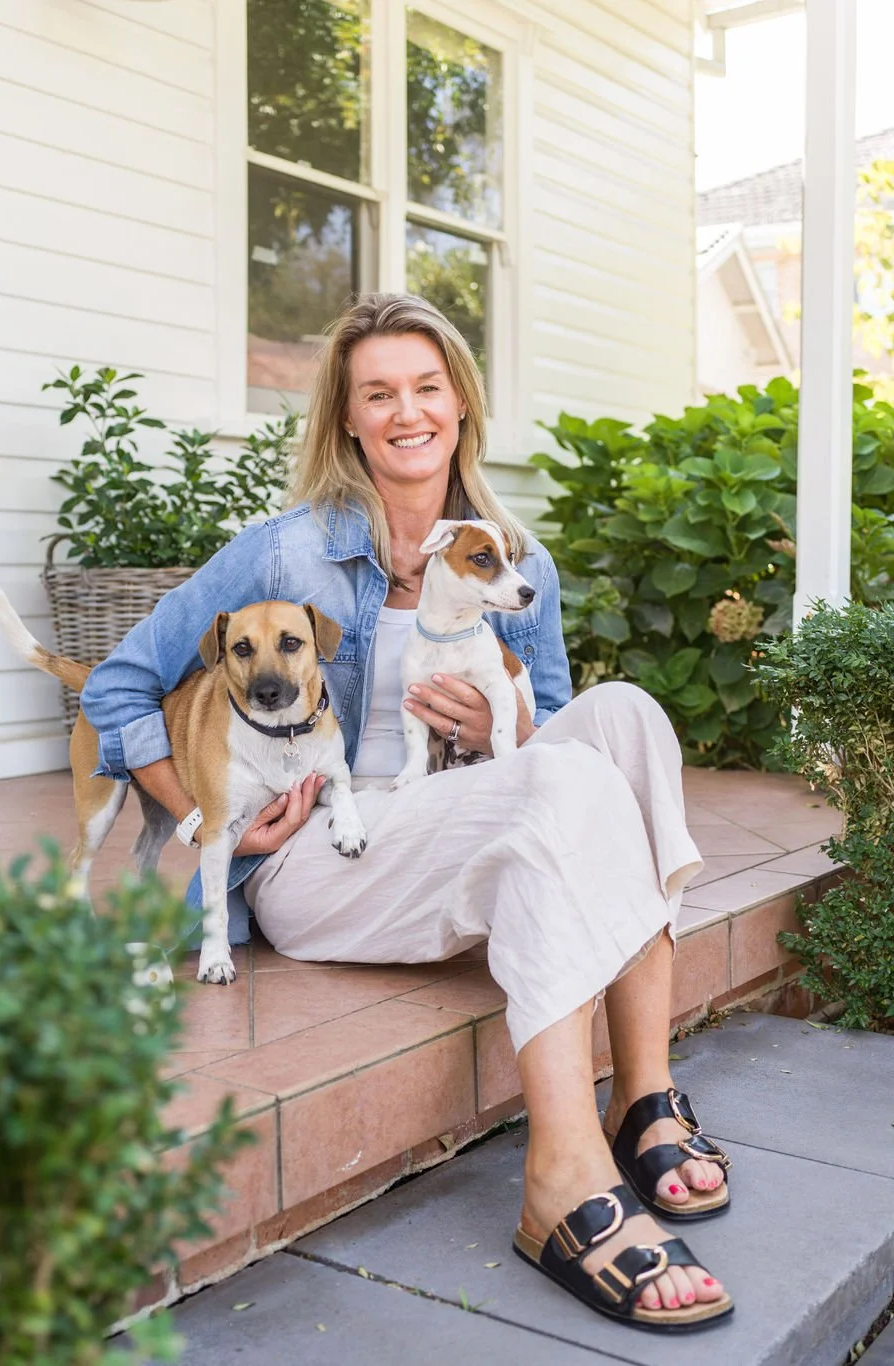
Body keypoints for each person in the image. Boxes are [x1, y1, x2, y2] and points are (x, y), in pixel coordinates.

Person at [80, 293, 734, 1331]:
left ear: (460, 403)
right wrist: (206, 817)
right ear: (345, 417)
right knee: (561, 780)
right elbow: (115, 688)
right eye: (377, 393)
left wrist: (491, 726)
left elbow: (555, 721)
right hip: (324, 858)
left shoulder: (515, 555)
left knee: (626, 718)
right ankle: (561, 1175)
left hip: (460, 811)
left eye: (426, 387)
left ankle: (641, 1095)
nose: (406, 412)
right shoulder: (282, 554)